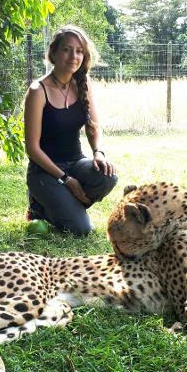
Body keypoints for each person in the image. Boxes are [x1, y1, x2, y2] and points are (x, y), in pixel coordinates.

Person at [24, 25, 118, 236]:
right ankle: (39, 205)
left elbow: (93, 126)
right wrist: (67, 180)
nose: (73, 56)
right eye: (67, 49)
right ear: (54, 53)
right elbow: (32, 149)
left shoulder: (83, 84)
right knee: (81, 230)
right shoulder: (38, 91)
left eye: (79, 51)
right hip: (44, 171)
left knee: (108, 176)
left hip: (76, 162)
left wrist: (98, 152)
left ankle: (63, 205)